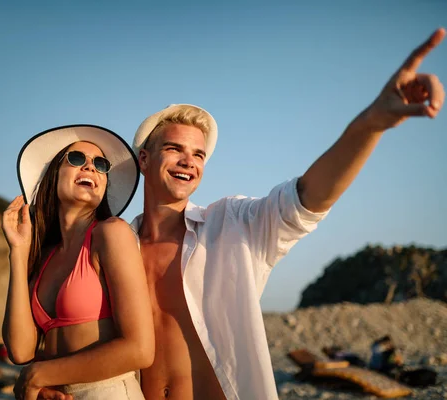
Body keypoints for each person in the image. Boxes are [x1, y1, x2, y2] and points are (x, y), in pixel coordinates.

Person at [128, 28, 445, 399]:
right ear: (145, 159)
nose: (189, 162)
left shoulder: (231, 225)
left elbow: (308, 198)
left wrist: (370, 123)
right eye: (174, 148)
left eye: (198, 154)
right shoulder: (116, 247)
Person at [1, 125, 155, 400]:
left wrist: (38, 374)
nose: (90, 168)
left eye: (100, 164)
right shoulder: (45, 255)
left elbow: (140, 349)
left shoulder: (111, 233)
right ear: (53, 175)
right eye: (75, 159)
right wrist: (18, 251)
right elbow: (20, 350)